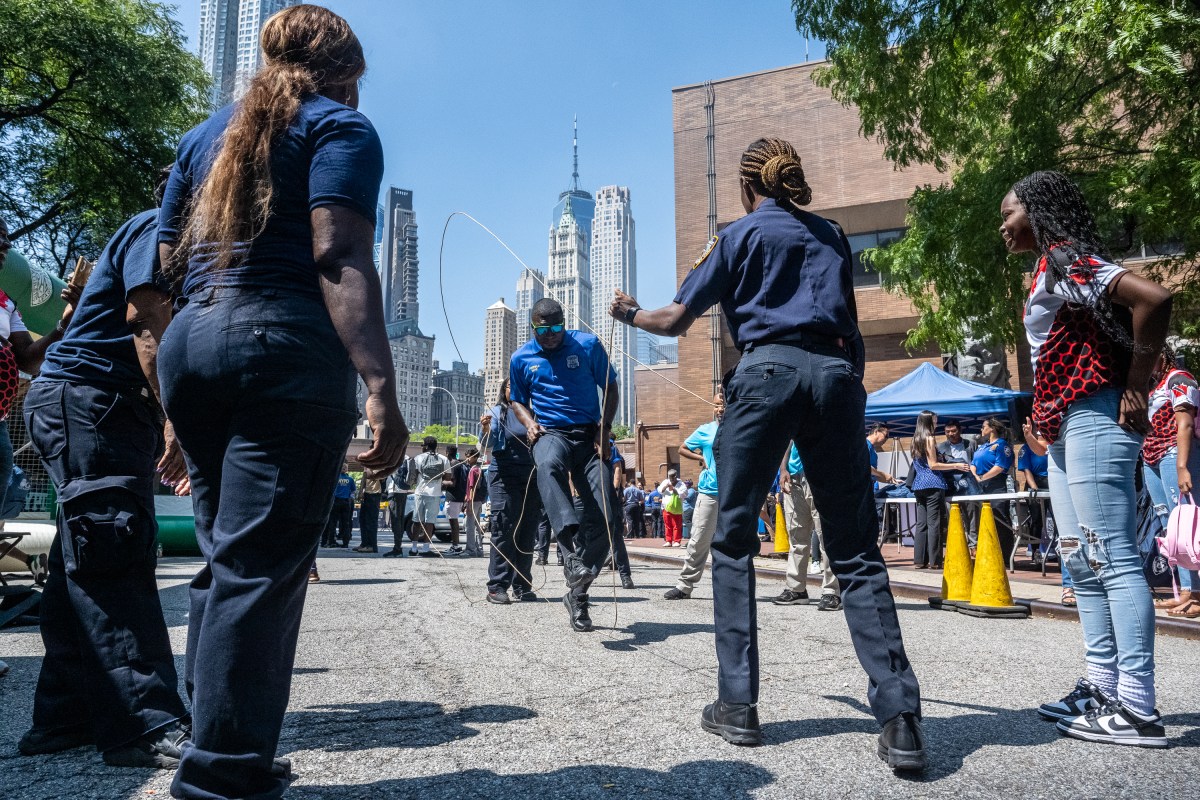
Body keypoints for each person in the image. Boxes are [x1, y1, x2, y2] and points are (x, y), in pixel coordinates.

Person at [610, 137, 926, 770]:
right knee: (857, 548)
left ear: (748, 186)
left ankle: (738, 706)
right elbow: (854, 331)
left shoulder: (740, 234)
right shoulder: (834, 235)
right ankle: (901, 720)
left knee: (731, 538)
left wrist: (629, 314)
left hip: (767, 375)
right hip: (836, 378)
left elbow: (675, 320)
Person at [157, 7, 408, 796]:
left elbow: (168, 264)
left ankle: (218, 743)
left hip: (192, 350)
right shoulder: (340, 129)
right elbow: (338, 255)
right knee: (261, 571)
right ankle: (222, 774)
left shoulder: (204, 137)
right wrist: (380, 387)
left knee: (227, 561)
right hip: (283, 354)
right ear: (345, 71)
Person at [16, 182, 189, 768]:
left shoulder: (178, 246)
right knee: (113, 544)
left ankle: (65, 715)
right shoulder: (156, 231)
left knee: (83, 557)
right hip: (91, 400)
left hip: (97, 403)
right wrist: (175, 420)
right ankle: (146, 721)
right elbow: (147, 323)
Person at [1002, 170, 1171, 746]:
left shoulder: (1065, 258)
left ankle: (1139, 708)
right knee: (1079, 562)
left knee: (1112, 556)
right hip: (1067, 424)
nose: (1004, 226)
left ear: (1039, 209)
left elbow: (1154, 298)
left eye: (1009, 213)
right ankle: (1103, 687)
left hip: (1096, 414)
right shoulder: (1048, 269)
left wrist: (1138, 385)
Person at [509, 296, 619, 633]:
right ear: (534, 327)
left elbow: (612, 386)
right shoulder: (521, 358)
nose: (551, 335)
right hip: (551, 433)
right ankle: (571, 556)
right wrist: (528, 423)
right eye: (544, 329)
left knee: (608, 515)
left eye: (557, 327)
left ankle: (578, 594)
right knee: (547, 466)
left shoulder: (587, 345)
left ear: (564, 323)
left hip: (589, 437)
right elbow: (516, 399)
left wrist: (604, 429)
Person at [0, 217, 78, 585]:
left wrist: (63, 324)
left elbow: (29, 358)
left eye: (6, 242)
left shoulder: (6, 302)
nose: (4, 249)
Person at [1141, 347, 1199, 618]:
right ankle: (1186, 591)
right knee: (1171, 527)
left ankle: (1196, 594)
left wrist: (1181, 466)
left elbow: (1185, 424)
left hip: (1173, 454)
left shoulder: (1180, 379)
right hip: (1151, 457)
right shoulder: (1156, 386)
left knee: (1188, 525)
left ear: (1162, 355)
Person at [480, 380, 542, 603]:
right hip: (504, 475)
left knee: (527, 531)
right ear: (504, 392)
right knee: (504, 529)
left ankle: (522, 585)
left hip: (531, 476)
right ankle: (497, 586)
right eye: (510, 388)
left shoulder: (535, 413)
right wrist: (486, 429)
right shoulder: (497, 413)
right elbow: (487, 445)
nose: (514, 391)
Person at [665, 394, 724, 599]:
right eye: (716, 406)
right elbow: (683, 448)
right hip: (710, 493)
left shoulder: (739, 428)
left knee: (731, 540)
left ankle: (729, 586)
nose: (720, 409)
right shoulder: (706, 430)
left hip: (733, 492)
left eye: (723, 405)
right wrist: (701, 457)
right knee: (699, 539)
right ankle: (685, 585)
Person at [772, 442, 840, 609]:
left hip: (819, 473)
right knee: (796, 536)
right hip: (793, 476)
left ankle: (832, 591)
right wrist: (783, 469)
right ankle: (796, 589)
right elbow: (786, 440)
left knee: (825, 535)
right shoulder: (790, 416)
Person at [907, 411, 959, 570]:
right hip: (933, 483)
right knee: (934, 523)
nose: (936, 424)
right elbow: (933, 465)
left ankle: (919, 560)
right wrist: (955, 465)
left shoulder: (915, 440)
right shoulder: (929, 438)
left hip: (919, 485)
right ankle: (935, 561)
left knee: (921, 524)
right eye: (935, 421)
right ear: (928, 422)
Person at [968, 418, 1015, 557]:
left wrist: (983, 477)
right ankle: (988, 552)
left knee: (999, 518)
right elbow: (973, 463)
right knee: (983, 519)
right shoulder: (982, 446)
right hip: (980, 485)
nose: (981, 430)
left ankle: (1005, 556)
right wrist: (976, 476)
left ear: (992, 428)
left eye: (983, 427)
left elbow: (1000, 466)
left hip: (996, 485)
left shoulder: (1002, 445)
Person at [937, 421, 979, 542]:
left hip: (968, 484)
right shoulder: (941, 447)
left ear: (960, 431)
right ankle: (957, 543)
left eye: (953, 431)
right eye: (947, 432)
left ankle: (973, 543)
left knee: (972, 514)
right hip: (950, 486)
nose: (950, 434)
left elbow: (975, 462)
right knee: (952, 515)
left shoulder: (970, 444)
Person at [410, 437, 451, 557]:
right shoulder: (443, 459)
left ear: (426, 446)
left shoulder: (418, 458)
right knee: (430, 522)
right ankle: (426, 548)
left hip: (420, 493)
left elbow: (413, 476)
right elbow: (448, 478)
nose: (422, 447)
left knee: (417, 521)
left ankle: (413, 548)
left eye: (423, 445)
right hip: (435, 493)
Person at [381, 458, 413, 557]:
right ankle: (398, 547)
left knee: (396, 520)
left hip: (394, 491)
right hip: (403, 490)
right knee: (399, 519)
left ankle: (397, 548)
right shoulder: (407, 458)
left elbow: (384, 473)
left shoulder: (394, 456)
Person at [462, 448, 486, 558]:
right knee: (476, 525)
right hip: (479, 501)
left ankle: (471, 549)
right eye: (466, 456)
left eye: (469, 456)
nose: (467, 458)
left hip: (473, 501)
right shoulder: (479, 469)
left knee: (469, 525)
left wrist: (469, 503)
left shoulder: (473, 470)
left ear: (475, 457)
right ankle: (479, 549)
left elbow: (472, 488)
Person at [321, 471, 355, 548]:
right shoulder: (350, 479)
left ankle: (331, 541)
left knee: (332, 522)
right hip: (346, 501)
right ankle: (346, 542)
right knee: (346, 523)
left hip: (335, 501)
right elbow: (353, 490)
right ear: (346, 470)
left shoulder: (335, 478)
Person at [443, 444, 467, 554]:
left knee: (453, 522)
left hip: (453, 497)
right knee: (454, 521)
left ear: (447, 453)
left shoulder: (452, 464)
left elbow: (452, 483)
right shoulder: (459, 463)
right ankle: (455, 545)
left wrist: (441, 482)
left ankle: (455, 546)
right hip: (458, 497)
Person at [658, 469, 685, 547]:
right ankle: (668, 540)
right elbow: (660, 490)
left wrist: (674, 489)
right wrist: (666, 486)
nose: (671, 479)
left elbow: (684, 494)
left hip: (676, 507)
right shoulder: (665, 482)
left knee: (677, 525)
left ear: (676, 476)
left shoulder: (681, 484)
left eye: (672, 478)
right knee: (667, 524)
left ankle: (677, 541)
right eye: (669, 478)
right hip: (666, 507)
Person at [355, 476, 382, 553]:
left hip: (374, 493)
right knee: (363, 520)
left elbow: (378, 475)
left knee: (371, 521)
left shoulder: (377, 464)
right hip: (366, 493)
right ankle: (364, 543)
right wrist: (361, 491)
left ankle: (372, 546)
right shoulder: (366, 466)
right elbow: (364, 478)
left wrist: (367, 470)